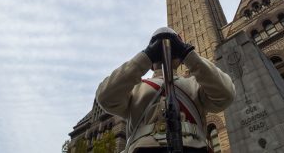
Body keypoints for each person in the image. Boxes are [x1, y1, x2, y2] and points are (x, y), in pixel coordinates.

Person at [96, 27, 236, 153]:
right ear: (150, 65)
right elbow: (105, 97)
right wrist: (146, 56)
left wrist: (187, 53)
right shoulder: (134, 88)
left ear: (181, 60)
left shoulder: (196, 84)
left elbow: (226, 94)